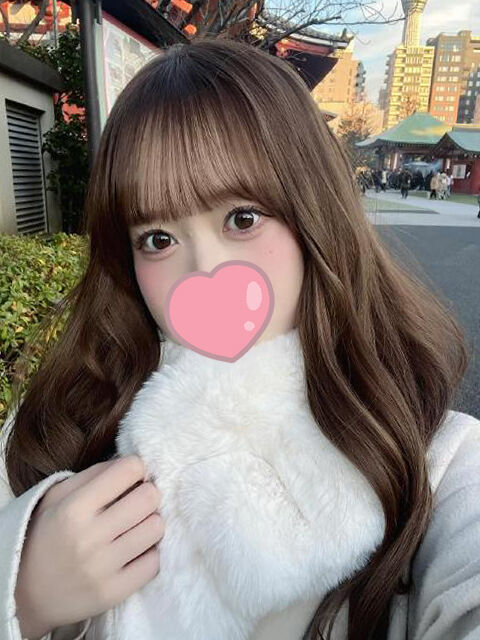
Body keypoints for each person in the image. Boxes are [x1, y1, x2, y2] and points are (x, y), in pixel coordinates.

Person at [1, 36, 480, 640]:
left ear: (313, 214)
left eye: (242, 218)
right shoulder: (59, 423)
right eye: (157, 239)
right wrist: (19, 590)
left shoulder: (435, 458)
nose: (204, 272)